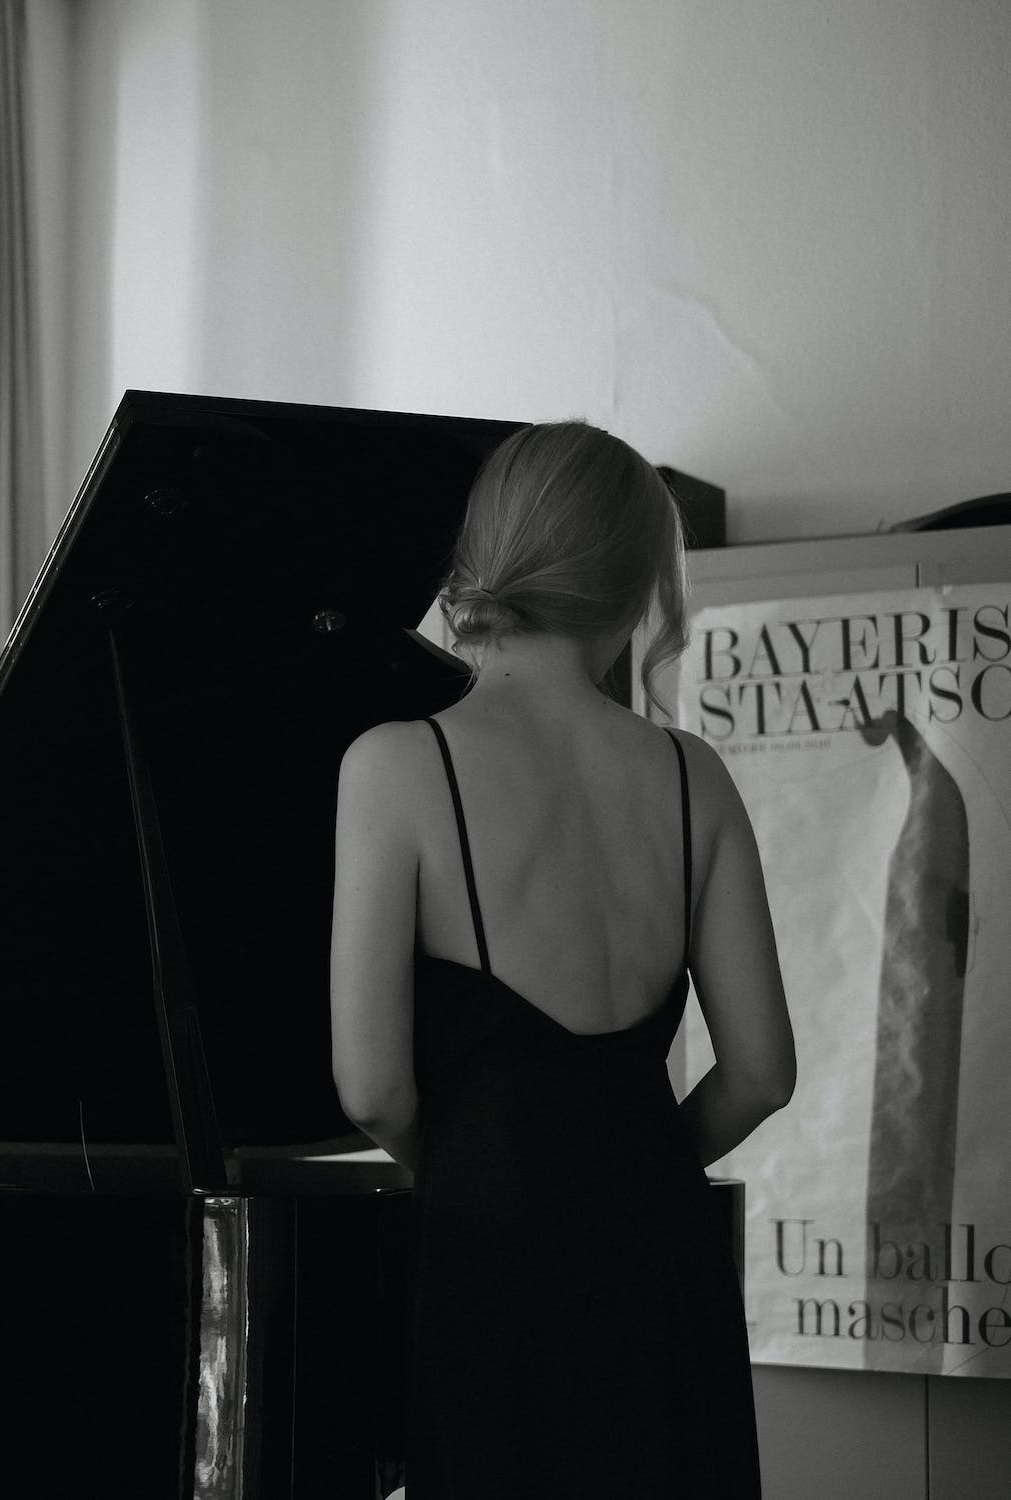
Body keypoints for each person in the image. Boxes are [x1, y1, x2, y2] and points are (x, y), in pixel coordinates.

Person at [328, 420, 797, 1498]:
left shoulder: (393, 767)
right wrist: (623, 1172)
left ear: (485, 551)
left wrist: (487, 1166)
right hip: (657, 1247)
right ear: (640, 587)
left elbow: (372, 1086)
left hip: (490, 1245)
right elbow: (763, 1072)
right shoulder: (694, 777)